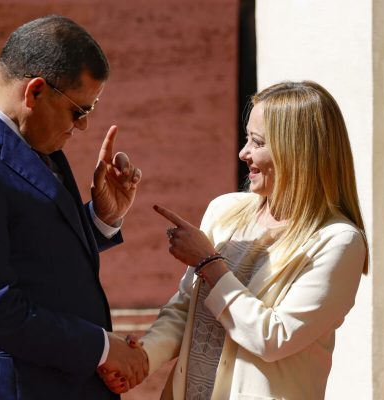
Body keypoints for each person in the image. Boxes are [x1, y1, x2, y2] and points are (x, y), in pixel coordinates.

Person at [0, 15, 148, 400]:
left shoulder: (31, 133)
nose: (83, 126)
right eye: (79, 111)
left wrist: (102, 218)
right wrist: (102, 348)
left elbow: (36, 253)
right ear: (35, 92)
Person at [102, 81, 368, 399]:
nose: (244, 153)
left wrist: (209, 264)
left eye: (257, 142)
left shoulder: (338, 241)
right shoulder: (225, 211)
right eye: (247, 139)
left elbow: (274, 339)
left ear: (296, 152)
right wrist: (143, 358)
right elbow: (186, 309)